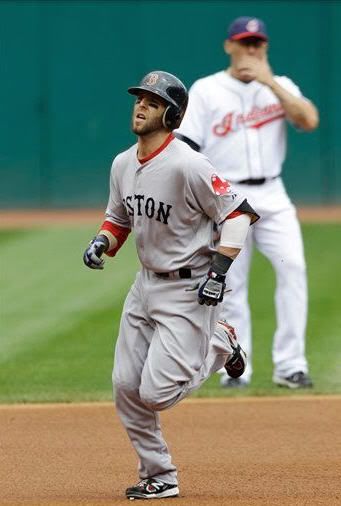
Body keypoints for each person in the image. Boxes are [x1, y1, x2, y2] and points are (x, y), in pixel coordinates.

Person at [83, 70, 259, 500]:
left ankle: (221, 344)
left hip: (190, 288)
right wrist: (103, 241)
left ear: (173, 113)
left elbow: (238, 215)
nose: (141, 106)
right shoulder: (122, 163)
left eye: (153, 101)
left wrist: (219, 273)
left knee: (156, 393)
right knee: (126, 387)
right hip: (145, 286)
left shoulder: (189, 164)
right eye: (139, 99)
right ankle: (159, 475)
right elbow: (120, 217)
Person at [176, 16, 319, 389]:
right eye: (244, 42)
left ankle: (290, 365)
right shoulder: (207, 90)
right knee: (231, 283)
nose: (251, 49)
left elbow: (309, 120)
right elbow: (186, 147)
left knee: (294, 271)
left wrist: (269, 80)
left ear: (265, 47)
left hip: (273, 193)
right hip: (227, 195)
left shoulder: (281, 86)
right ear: (229, 46)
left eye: (257, 43)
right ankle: (234, 367)